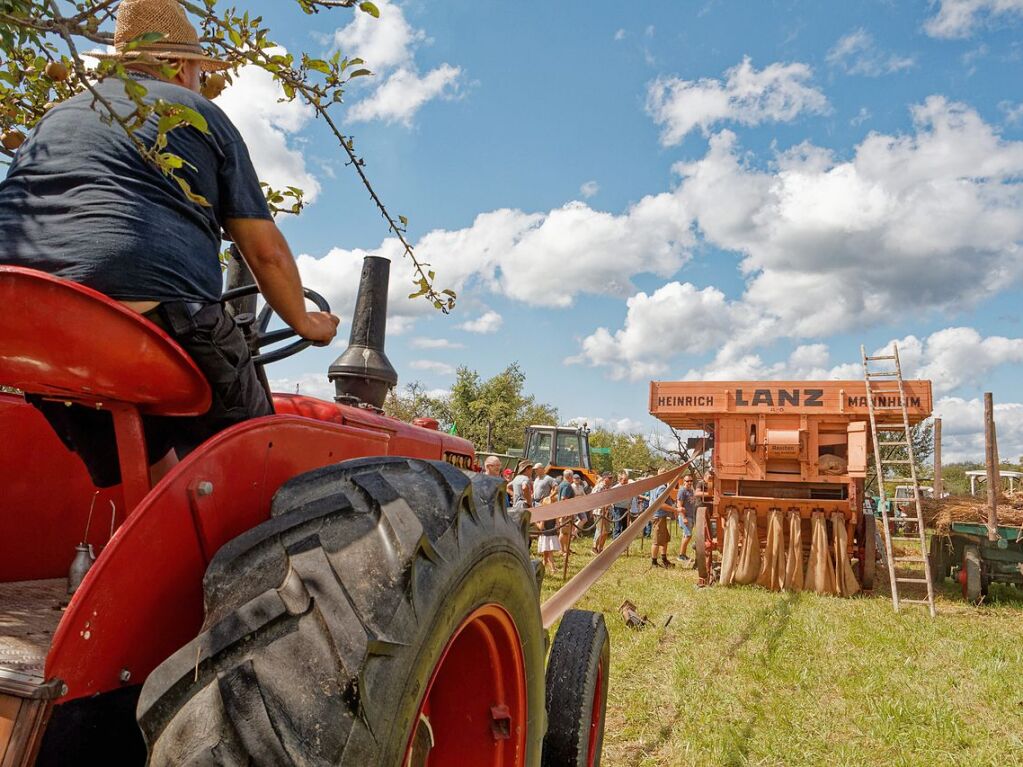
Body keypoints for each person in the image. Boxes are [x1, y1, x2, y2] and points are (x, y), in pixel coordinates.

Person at [0, 0, 339, 488]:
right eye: (200, 71)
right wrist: (307, 323)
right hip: (143, 313)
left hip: (24, 322)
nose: (201, 82)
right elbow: (265, 251)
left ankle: (149, 539)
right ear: (179, 65)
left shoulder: (54, 118)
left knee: (143, 450)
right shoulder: (198, 113)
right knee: (262, 456)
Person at [534, 482, 561, 574]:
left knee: (549, 552)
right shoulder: (555, 514)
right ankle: (544, 563)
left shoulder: (543, 515)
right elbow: (557, 525)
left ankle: (553, 568)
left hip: (545, 535)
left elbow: (541, 527)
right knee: (547, 551)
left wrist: (535, 523)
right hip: (552, 534)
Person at [650, 483, 676, 568]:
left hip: (658, 515)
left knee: (664, 539)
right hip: (659, 516)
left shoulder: (655, 486)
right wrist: (675, 509)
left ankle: (664, 559)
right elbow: (661, 504)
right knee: (656, 541)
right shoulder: (662, 487)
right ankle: (654, 563)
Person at [591, 473, 613, 553]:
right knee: (602, 531)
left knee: (606, 531)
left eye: (612, 478)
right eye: (609, 478)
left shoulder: (609, 487)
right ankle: (594, 548)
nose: (611, 480)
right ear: (604, 478)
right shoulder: (599, 487)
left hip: (607, 512)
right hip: (599, 512)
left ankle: (600, 549)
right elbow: (593, 498)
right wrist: (603, 505)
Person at [557, 469, 577, 555]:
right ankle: (562, 550)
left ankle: (566, 549)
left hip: (563, 511)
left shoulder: (562, 484)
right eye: (572, 476)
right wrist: (566, 512)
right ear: (569, 476)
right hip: (566, 512)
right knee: (564, 532)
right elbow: (563, 498)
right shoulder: (567, 485)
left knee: (566, 532)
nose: (573, 478)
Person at [610, 471, 631, 539]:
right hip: (618, 509)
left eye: (627, 480)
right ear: (620, 480)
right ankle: (615, 542)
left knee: (625, 526)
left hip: (626, 508)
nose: (626, 482)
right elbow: (611, 498)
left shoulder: (629, 487)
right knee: (618, 526)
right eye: (624, 480)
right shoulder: (615, 488)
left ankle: (623, 542)